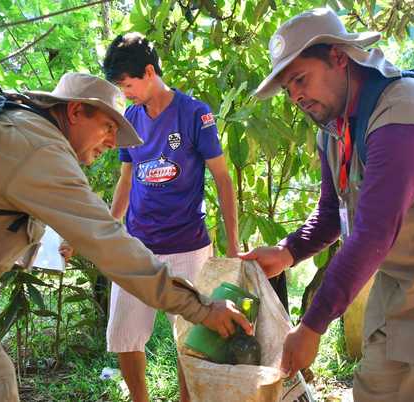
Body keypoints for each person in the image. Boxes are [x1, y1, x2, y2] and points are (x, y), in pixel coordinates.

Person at [241, 8, 414, 401]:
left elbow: (372, 234)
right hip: (399, 295)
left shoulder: (404, 116)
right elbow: (333, 213)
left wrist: (311, 327)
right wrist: (287, 252)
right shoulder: (334, 128)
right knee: (375, 391)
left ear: (339, 58)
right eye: (288, 88)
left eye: (300, 79)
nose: (296, 95)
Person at [0, 72, 250, 402]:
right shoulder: (40, 148)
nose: (111, 143)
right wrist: (204, 308)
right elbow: (112, 246)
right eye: (107, 127)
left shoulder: (22, 129)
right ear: (75, 112)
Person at [97, 32, 239, 402]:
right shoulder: (130, 117)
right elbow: (125, 180)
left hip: (188, 245)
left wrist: (234, 243)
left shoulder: (196, 113)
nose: (125, 93)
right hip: (137, 247)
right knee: (125, 335)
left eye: (128, 85)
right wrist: (112, 230)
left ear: (148, 72)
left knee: (190, 337)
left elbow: (223, 179)